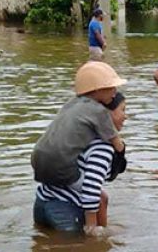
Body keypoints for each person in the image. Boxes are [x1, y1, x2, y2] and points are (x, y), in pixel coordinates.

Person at [34, 89, 128, 236]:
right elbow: (91, 188)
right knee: (84, 251)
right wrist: (92, 228)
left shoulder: (78, 136)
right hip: (65, 212)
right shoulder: (102, 147)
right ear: (105, 115)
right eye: (122, 110)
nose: (125, 116)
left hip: (42, 202)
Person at [31, 62, 128, 188]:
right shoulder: (99, 111)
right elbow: (116, 142)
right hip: (62, 167)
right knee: (98, 197)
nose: (115, 93)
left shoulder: (70, 104)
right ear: (98, 89)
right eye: (112, 88)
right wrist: (120, 157)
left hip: (37, 158)